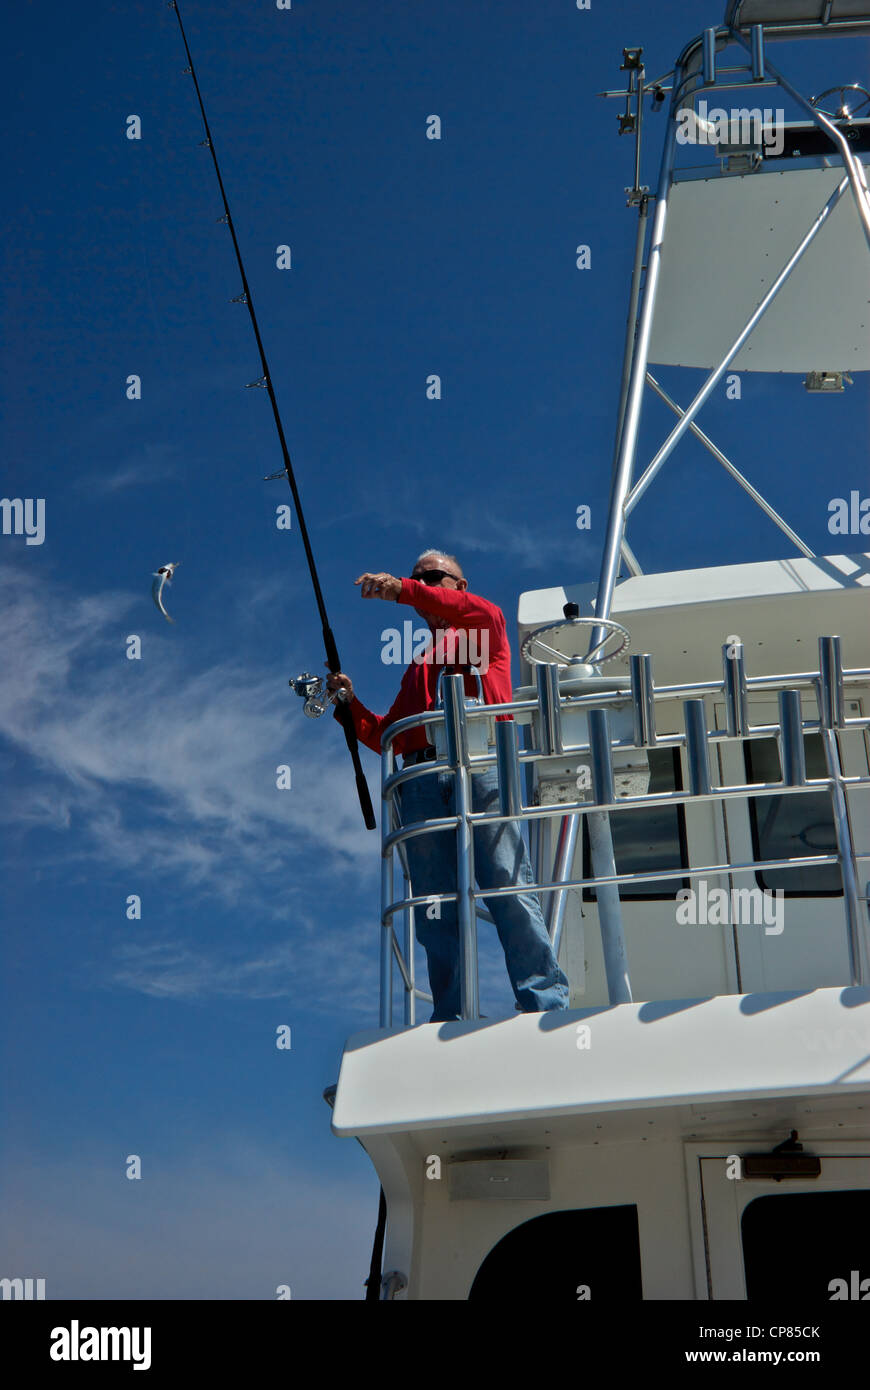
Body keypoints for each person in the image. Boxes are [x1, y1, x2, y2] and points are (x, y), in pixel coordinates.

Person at [327, 549, 569, 1022]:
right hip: (419, 781)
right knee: (433, 905)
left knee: (507, 885)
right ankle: (450, 1015)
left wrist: (399, 587)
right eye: (419, 578)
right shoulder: (419, 666)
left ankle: (544, 1003)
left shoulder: (485, 625)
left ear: (461, 586)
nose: (422, 582)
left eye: (434, 576)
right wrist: (349, 704)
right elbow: (385, 735)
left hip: (480, 767)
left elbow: (476, 611)